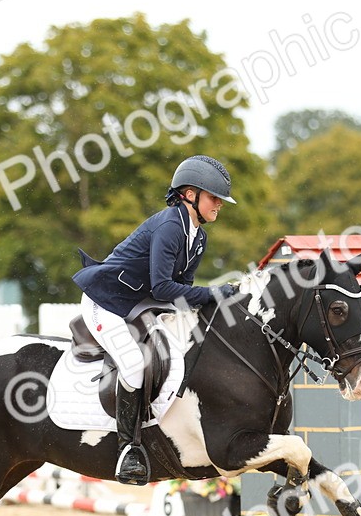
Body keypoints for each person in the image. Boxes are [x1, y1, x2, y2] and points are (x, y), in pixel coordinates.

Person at [72, 155, 240, 485]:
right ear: (190, 194)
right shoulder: (169, 226)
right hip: (105, 302)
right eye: (214, 197)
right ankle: (128, 449)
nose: (219, 205)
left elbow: (182, 291)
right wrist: (213, 293)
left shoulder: (199, 238)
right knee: (134, 364)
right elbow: (164, 285)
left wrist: (209, 305)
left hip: (140, 304)